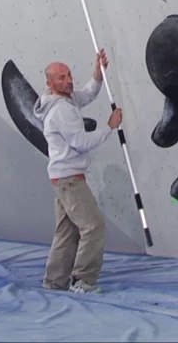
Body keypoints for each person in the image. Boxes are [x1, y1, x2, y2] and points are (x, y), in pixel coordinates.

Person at [34, 49, 123, 293]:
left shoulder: (61, 100)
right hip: (70, 179)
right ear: (49, 83)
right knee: (93, 226)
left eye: (69, 75)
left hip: (63, 177)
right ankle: (83, 280)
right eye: (61, 78)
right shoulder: (61, 110)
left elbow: (86, 95)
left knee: (67, 231)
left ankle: (54, 281)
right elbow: (81, 143)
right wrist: (109, 127)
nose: (68, 80)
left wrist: (97, 74)